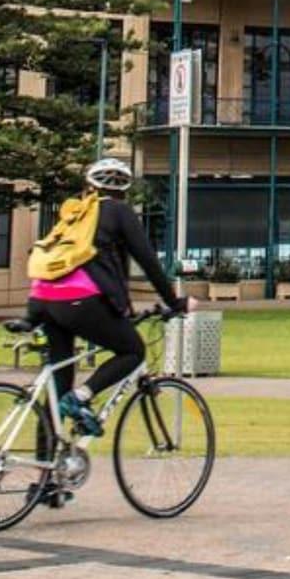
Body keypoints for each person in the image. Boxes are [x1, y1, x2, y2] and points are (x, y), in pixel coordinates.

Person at [25, 157, 186, 438]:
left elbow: (113, 268)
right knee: (133, 351)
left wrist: (125, 308)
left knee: (58, 385)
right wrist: (175, 302)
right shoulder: (119, 212)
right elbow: (147, 261)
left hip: (43, 299)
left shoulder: (76, 215)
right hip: (80, 301)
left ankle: (45, 473)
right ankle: (82, 396)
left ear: (89, 186)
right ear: (125, 191)